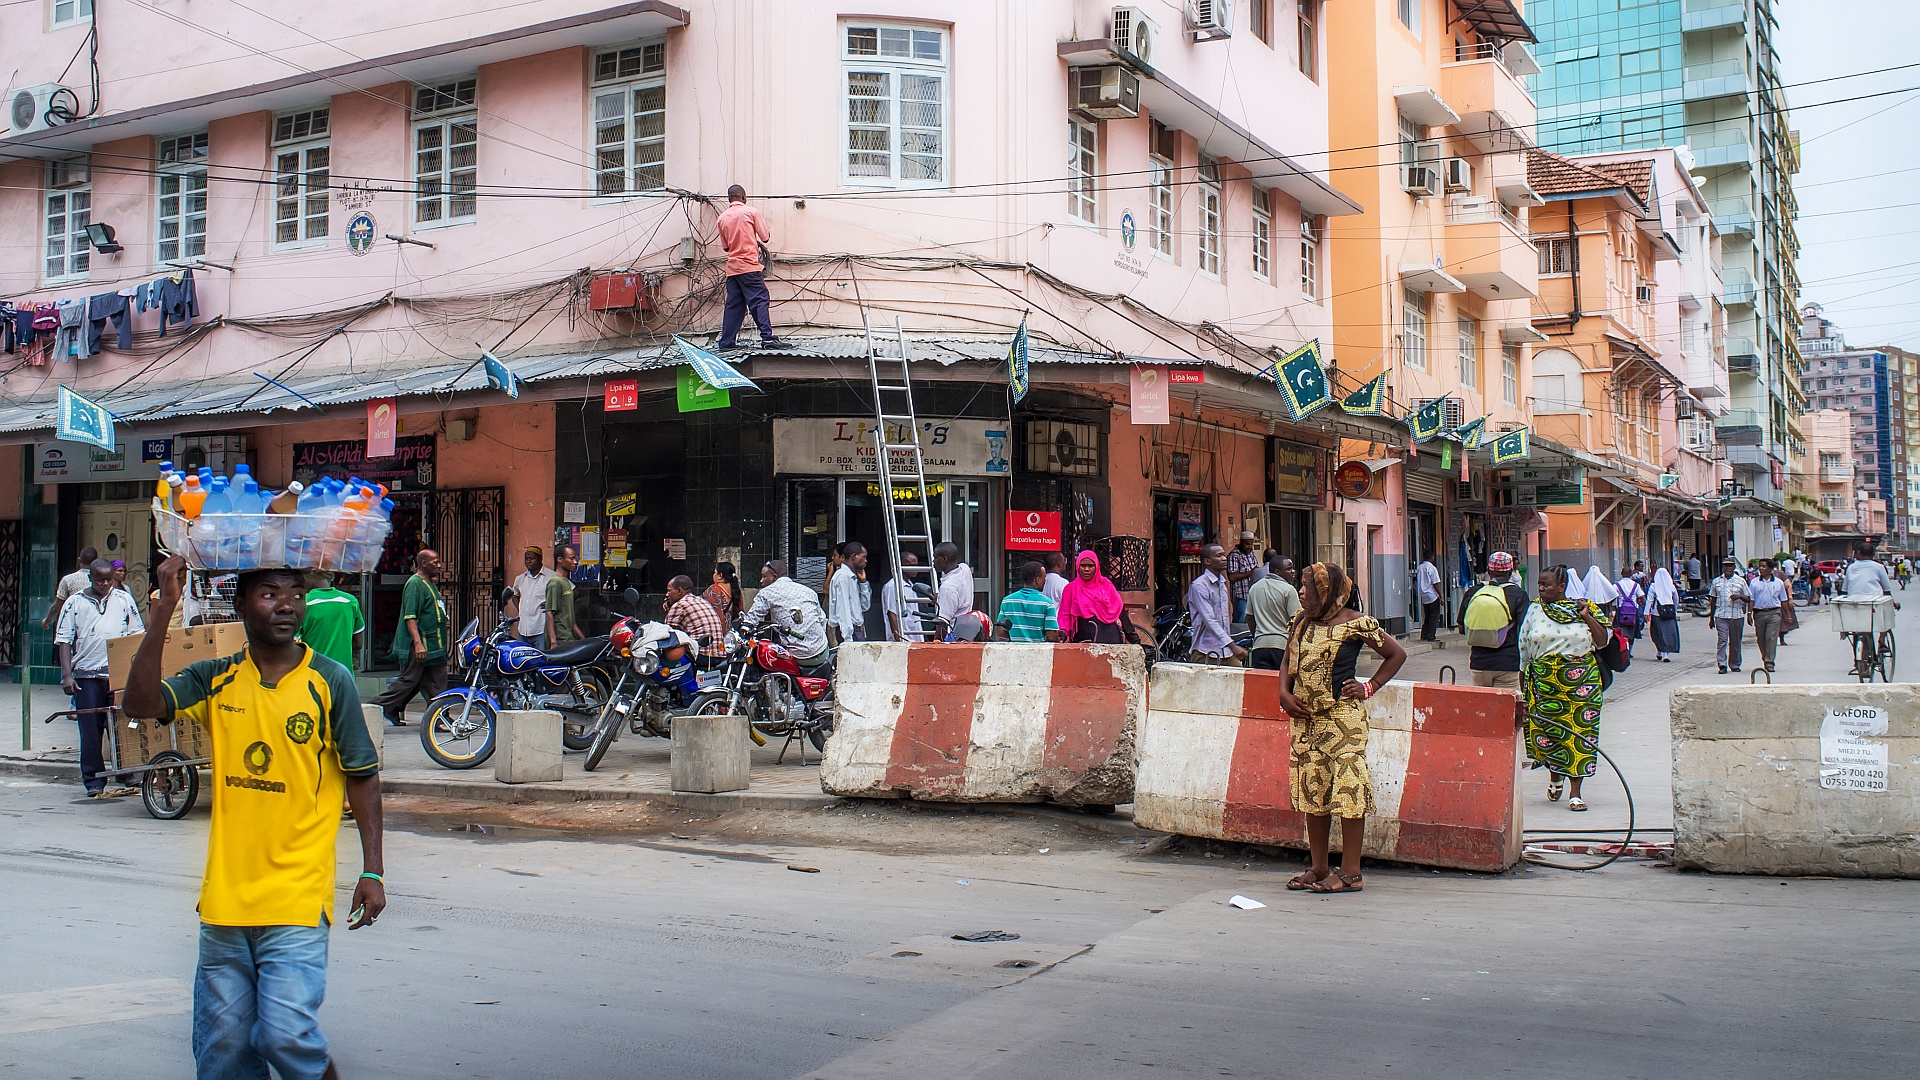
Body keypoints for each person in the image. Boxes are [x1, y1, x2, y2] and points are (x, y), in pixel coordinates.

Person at [123, 556, 384, 1080]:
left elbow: (363, 775)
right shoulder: (215, 676)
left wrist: (373, 869)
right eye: (269, 593)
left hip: (296, 899)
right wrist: (164, 611)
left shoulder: (330, 681)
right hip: (225, 905)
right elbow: (141, 702)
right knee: (224, 1055)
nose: (286, 604)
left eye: (295, 594)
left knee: (286, 1035)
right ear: (239, 604)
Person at [1276, 561, 1406, 894]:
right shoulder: (1301, 622)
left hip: (1343, 721)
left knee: (1348, 792)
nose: (1301, 591)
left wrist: (1369, 687)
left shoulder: (1356, 623)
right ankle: (1319, 867)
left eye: (1308, 586)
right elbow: (1287, 661)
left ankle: (1351, 873)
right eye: (1300, 585)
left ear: (1329, 590)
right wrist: (1284, 693)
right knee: (1313, 792)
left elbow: (1395, 654)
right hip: (1307, 722)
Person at [1519, 566, 1611, 812]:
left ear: (1562, 587)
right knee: (1549, 736)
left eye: (1545, 584)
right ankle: (1555, 775)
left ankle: (1576, 792)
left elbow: (1602, 641)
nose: (1540, 588)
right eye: (1539, 583)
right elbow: (1524, 649)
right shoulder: (1534, 609)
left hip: (1582, 686)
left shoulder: (1584, 607)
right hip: (1544, 683)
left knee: (1579, 736)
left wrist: (1586, 616)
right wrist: (1523, 692)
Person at [54, 559, 143, 797]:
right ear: (90, 579)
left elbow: (136, 634)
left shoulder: (124, 599)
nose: (105, 584)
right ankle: (93, 781)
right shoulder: (74, 603)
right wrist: (67, 676)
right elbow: (64, 640)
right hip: (86, 675)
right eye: (100, 580)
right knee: (91, 731)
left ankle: (126, 773)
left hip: (117, 675)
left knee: (121, 727)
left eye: (108, 580)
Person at [373, 549, 447, 726]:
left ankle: (438, 716)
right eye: (435, 562)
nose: (439, 565)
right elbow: (410, 616)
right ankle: (374, 707)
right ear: (423, 564)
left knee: (435, 681)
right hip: (421, 643)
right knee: (409, 680)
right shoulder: (414, 584)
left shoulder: (429, 583)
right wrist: (418, 643)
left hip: (434, 643)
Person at [714, 185, 784, 350]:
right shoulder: (751, 212)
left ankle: (726, 343)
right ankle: (767, 337)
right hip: (750, 267)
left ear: (729, 199)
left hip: (732, 270)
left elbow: (726, 248)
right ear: (743, 197)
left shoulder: (722, 219)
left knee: (734, 306)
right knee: (760, 299)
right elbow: (765, 237)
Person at [742, 560, 830, 666]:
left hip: (797, 656)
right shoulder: (808, 591)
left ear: (774, 577)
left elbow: (751, 619)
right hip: (822, 651)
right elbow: (822, 620)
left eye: (764, 577)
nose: (761, 581)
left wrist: (744, 628)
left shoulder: (766, 593)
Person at [1462, 551, 1530, 688]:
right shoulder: (1519, 595)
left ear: (1488, 570)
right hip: (1508, 663)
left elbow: (1462, 628)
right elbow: (1523, 631)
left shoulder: (1473, 592)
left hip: (1480, 663)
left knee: (1481, 708)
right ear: (1510, 571)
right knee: (1507, 707)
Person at [1056, 550, 1142, 645]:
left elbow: (1119, 610)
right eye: (1083, 566)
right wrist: (1062, 635)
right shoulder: (1070, 589)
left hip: (1109, 638)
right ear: (1078, 567)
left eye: (1090, 566)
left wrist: (1134, 640)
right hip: (1083, 640)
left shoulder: (1106, 585)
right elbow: (1065, 616)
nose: (1086, 569)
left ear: (1096, 567)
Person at [1185, 543, 1243, 665]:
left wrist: (1230, 646)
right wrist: (1232, 645)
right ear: (1207, 561)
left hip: (1226, 651)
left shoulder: (1222, 583)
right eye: (1219, 556)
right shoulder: (1199, 586)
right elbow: (1209, 620)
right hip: (1205, 651)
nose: (1224, 558)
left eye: (1224, 555)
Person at [299, 574, 365, 671]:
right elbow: (358, 644)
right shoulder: (350, 601)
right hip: (344, 676)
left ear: (308, 575)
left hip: (314, 677)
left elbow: (293, 646)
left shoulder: (303, 603)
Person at [1246, 555, 1301, 671]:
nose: (1293, 571)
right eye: (1289, 569)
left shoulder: (1254, 588)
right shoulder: (1289, 590)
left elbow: (1250, 618)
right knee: (1281, 684)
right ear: (1277, 571)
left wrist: (1256, 636)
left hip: (1259, 646)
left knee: (1262, 685)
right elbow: (1297, 620)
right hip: (1282, 646)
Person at [993, 561, 1061, 642]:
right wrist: (1058, 640)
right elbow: (1051, 636)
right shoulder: (1047, 603)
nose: (1045, 580)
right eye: (1044, 577)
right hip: (1039, 653)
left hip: (1015, 652)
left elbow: (1000, 632)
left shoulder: (1007, 600)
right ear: (1038, 579)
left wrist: (1015, 636)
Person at [505, 546, 556, 646]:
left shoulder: (552, 577)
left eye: (532, 558)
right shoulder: (520, 579)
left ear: (540, 559)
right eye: (526, 559)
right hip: (523, 630)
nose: (529, 561)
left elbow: (573, 592)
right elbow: (514, 594)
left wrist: (554, 604)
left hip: (541, 629)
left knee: (541, 659)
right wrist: (520, 607)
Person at [1709, 557, 1751, 674]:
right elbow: (1713, 599)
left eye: (1730, 566)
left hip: (1736, 616)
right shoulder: (1716, 581)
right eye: (1726, 565)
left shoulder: (1740, 581)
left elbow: (1748, 598)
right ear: (1723, 567)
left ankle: (1735, 663)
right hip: (1721, 615)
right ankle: (1722, 664)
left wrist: (1739, 596)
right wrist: (1711, 618)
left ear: (1733, 567)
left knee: (1735, 641)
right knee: (1722, 640)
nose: (1728, 568)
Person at [1746, 559, 1789, 673]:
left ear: (1770, 569)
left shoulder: (1778, 583)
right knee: (1761, 638)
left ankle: (1769, 662)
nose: (1761, 568)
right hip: (1759, 613)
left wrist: (1788, 615)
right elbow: (1751, 599)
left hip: (1774, 613)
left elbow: (1783, 600)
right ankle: (1765, 657)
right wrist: (1749, 613)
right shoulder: (1754, 582)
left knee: (1771, 637)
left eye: (1763, 566)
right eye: (1760, 566)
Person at [43, 545, 100, 629]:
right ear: (97, 561)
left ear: (79, 560)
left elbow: (56, 607)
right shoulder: (104, 581)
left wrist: (47, 621)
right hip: (97, 625)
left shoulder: (68, 580)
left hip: (75, 625)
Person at [664, 574, 727, 648]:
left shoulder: (679, 605)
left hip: (699, 653)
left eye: (669, 591)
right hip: (719, 652)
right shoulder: (701, 601)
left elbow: (667, 635)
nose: (667, 594)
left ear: (679, 591)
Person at [827, 541, 871, 645]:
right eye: (863, 557)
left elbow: (865, 606)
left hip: (856, 629)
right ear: (854, 556)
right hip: (849, 632)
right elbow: (843, 609)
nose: (865, 561)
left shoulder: (852, 577)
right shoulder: (843, 577)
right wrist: (848, 638)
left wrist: (863, 583)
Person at [881, 551, 926, 642]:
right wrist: (899, 640)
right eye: (912, 566)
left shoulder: (911, 585)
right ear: (902, 565)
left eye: (916, 565)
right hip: (903, 640)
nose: (916, 569)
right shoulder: (892, 586)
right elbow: (891, 614)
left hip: (915, 639)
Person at [933, 542, 973, 626]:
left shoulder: (947, 588)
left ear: (945, 559)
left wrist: (936, 639)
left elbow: (943, 623)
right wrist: (940, 596)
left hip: (952, 633)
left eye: (935, 557)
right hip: (964, 628)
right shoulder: (965, 569)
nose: (933, 561)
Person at [545, 546, 579, 647]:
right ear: (560, 560)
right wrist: (553, 641)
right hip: (560, 638)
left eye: (575, 559)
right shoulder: (555, 582)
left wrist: (582, 638)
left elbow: (569, 617)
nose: (575, 562)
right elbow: (549, 612)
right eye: (571, 559)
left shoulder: (566, 582)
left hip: (569, 636)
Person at [1647, 567, 1681, 662]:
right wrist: (1674, 609)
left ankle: (1660, 651)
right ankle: (1665, 654)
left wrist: (1646, 612)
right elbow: (1676, 598)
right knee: (1668, 633)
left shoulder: (1653, 586)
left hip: (1656, 614)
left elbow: (1649, 600)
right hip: (1669, 614)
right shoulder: (1671, 586)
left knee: (1657, 633)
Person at [1226, 531, 1260, 626]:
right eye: (1247, 544)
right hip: (1240, 595)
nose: (1249, 546)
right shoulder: (1234, 555)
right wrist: (1250, 573)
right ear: (1241, 542)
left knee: (1251, 619)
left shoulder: (1251, 553)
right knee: (1239, 620)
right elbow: (1232, 576)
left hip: (1251, 593)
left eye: (1251, 544)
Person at [1415, 555, 1443, 641]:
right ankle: (1431, 635)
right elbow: (1435, 583)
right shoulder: (1432, 568)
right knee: (1433, 616)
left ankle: (1424, 635)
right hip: (1432, 595)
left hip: (1424, 595)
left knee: (1427, 616)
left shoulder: (1419, 567)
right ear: (1431, 558)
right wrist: (1441, 596)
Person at [706, 562, 742, 626]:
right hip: (731, 632)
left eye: (715, 572)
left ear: (720, 576)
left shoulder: (714, 589)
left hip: (719, 630)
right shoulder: (736, 590)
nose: (713, 575)